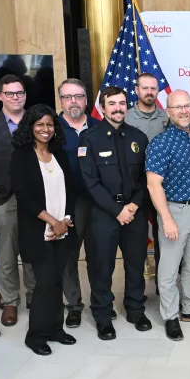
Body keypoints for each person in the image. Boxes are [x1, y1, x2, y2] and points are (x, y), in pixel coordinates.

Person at [146, 90, 190, 340]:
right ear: (168, 111)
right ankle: (170, 316)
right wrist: (166, 219)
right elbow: (153, 185)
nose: (184, 111)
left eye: (187, 106)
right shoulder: (160, 143)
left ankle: (189, 307)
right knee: (168, 269)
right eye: (177, 107)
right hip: (174, 211)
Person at [79, 86, 151, 340]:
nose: (118, 108)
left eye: (122, 103)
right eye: (112, 104)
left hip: (134, 211)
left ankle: (135, 309)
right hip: (104, 213)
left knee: (135, 264)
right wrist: (117, 210)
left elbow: (146, 179)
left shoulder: (138, 137)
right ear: (102, 106)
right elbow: (90, 182)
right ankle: (102, 314)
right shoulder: (89, 138)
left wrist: (132, 206)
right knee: (102, 266)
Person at [10, 105, 78, 355]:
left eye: (49, 124)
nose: (45, 129)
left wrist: (66, 220)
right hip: (38, 231)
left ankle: (55, 330)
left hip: (63, 228)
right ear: (30, 127)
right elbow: (24, 196)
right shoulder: (22, 155)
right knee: (44, 283)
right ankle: (35, 335)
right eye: (39, 125)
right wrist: (52, 222)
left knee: (57, 280)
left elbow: (70, 186)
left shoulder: (58, 152)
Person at [0, 74, 35, 326]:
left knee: (34, 249)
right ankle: (10, 301)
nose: (15, 97)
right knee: (6, 253)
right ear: (0, 96)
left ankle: (35, 294)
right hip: (3, 199)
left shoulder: (38, 121)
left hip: (35, 198)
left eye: (19, 93)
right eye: (10, 93)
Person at [57, 78, 99, 328]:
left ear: (86, 99)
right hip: (65, 205)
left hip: (96, 203)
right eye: (68, 97)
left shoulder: (98, 126)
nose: (73, 101)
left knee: (98, 256)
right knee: (68, 257)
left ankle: (99, 303)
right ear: (61, 100)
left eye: (78, 96)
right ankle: (73, 305)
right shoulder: (51, 128)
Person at [125, 72, 170, 290]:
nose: (150, 92)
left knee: (164, 239)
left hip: (161, 189)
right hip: (135, 189)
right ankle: (137, 291)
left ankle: (164, 287)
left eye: (153, 88)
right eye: (145, 88)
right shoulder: (125, 117)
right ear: (137, 90)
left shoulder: (166, 117)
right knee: (137, 241)